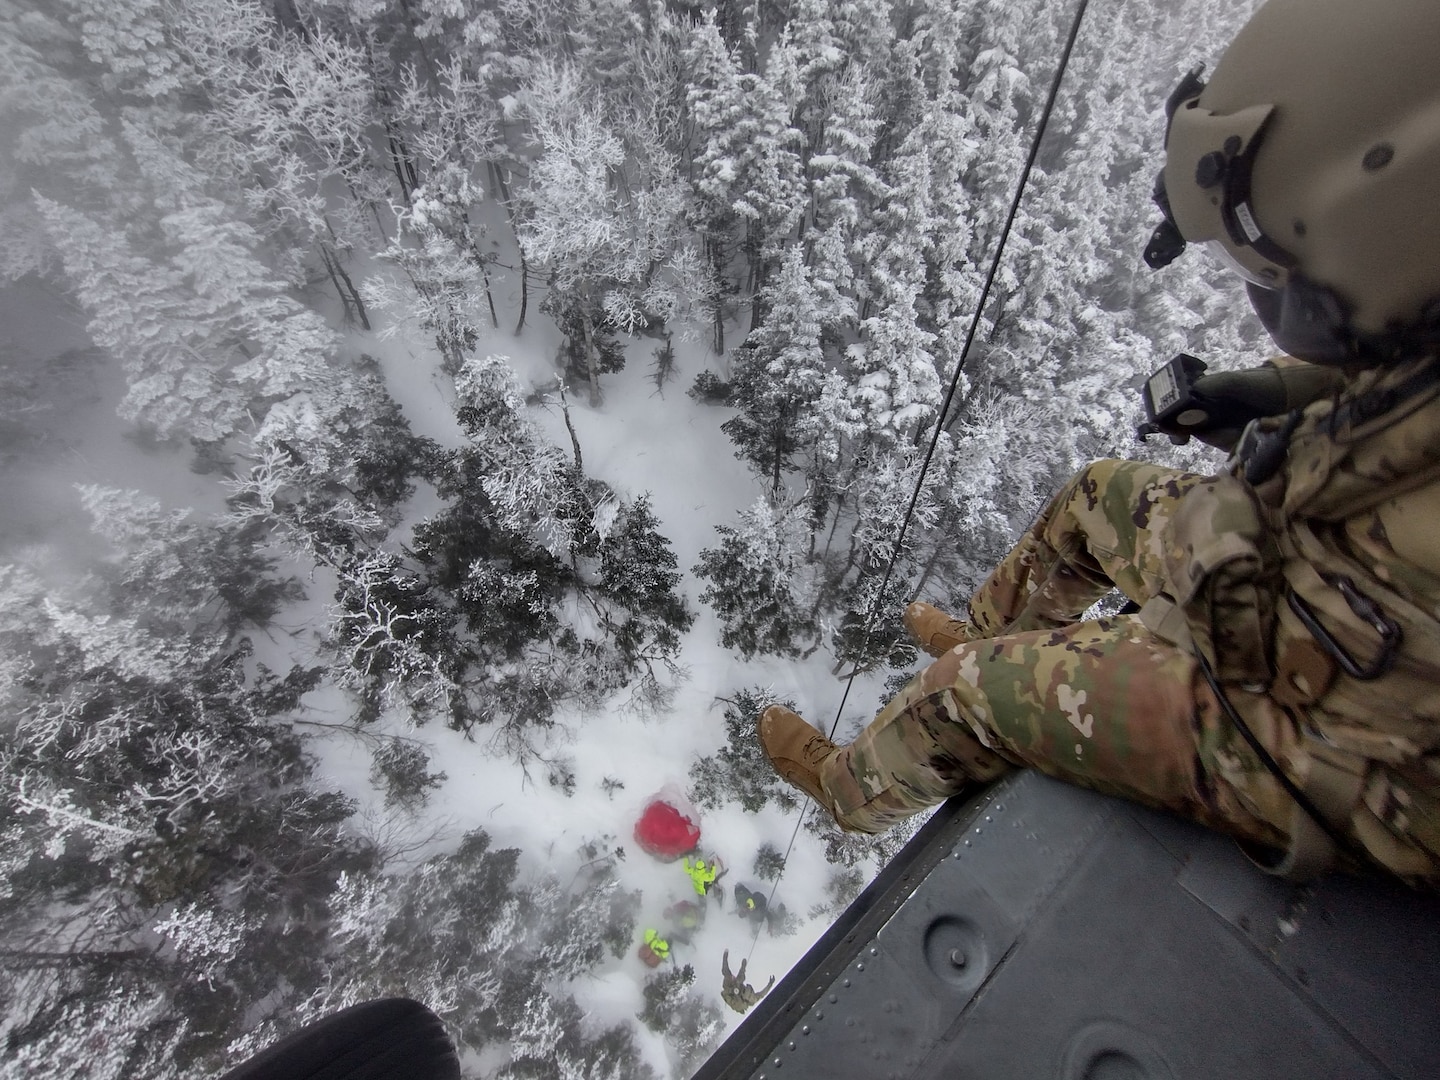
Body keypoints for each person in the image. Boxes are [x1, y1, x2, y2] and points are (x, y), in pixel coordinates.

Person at [761, 0, 1440, 885]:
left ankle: (848, 790)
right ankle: (981, 632)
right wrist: (1291, 395)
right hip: (1305, 581)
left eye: (1277, 278)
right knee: (1094, 495)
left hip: (1356, 734)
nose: (1269, 300)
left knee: (971, 698)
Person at [720, 948, 775, 1014]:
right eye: (744, 988)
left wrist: (731, 991)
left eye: (744, 989)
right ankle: (740, 966)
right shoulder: (753, 999)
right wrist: (770, 984)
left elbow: (724, 994)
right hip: (736, 989)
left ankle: (725, 957)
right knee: (738, 980)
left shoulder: (737, 1004)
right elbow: (762, 994)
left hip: (730, 990)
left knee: (727, 973)